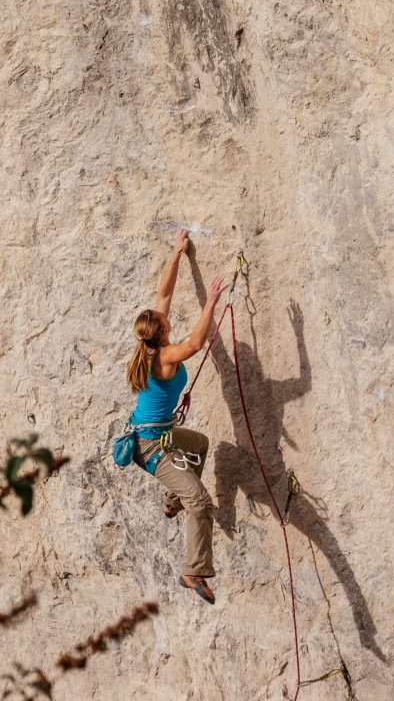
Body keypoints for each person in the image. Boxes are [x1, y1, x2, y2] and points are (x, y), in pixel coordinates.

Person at [126, 229, 227, 604]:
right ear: (162, 331)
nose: (167, 317)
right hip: (150, 446)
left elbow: (164, 295)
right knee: (200, 500)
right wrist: (211, 302)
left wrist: (176, 255)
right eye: (165, 320)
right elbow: (197, 344)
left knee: (198, 444)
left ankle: (172, 499)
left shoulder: (150, 343)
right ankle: (193, 571)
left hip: (160, 433)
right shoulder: (165, 356)